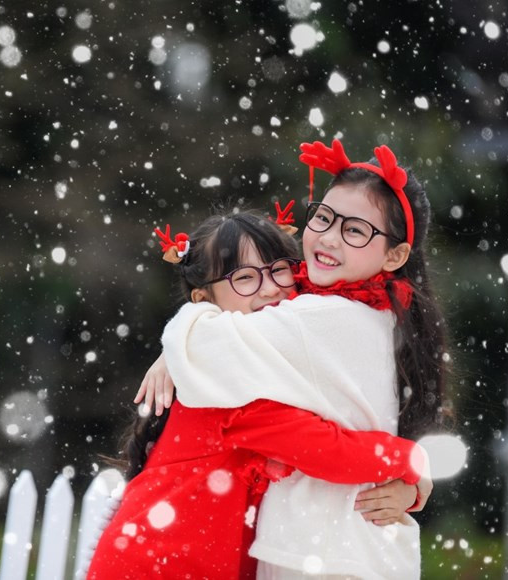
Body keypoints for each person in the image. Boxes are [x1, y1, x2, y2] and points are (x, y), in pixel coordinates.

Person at [154, 139, 448, 579]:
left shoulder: (322, 318)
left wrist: (178, 339)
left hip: (323, 550)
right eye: (324, 217)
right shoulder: (380, 315)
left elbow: (201, 350)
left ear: (395, 255)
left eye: (355, 231)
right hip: (356, 547)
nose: (328, 238)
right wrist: (409, 466)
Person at [85, 209, 430, 579]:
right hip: (158, 565)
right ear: (204, 298)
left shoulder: (261, 362)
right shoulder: (228, 381)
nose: (269, 288)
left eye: (279, 270)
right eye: (245, 277)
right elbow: (325, 449)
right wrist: (412, 459)